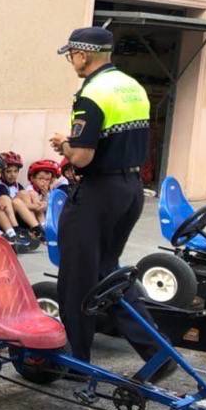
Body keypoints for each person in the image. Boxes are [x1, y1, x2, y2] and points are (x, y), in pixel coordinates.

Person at [50, 25, 161, 371]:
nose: (71, 62)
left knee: (77, 279)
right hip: (130, 190)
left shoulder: (92, 93)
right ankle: (156, 352)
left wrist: (63, 145)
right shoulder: (133, 87)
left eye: (72, 56)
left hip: (98, 194)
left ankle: (75, 360)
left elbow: (82, 156)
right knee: (107, 274)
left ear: (83, 55)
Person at [14, 159, 60, 234]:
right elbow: (24, 206)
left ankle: (44, 227)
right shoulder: (29, 189)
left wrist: (45, 196)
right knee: (33, 195)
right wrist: (40, 204)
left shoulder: (47, 191)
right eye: (41, 178)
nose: (44, 182)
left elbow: (50, 208)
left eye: (47, 179)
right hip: (25, 219)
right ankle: (43, 228)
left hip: (39, 218)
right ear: (32, 178)